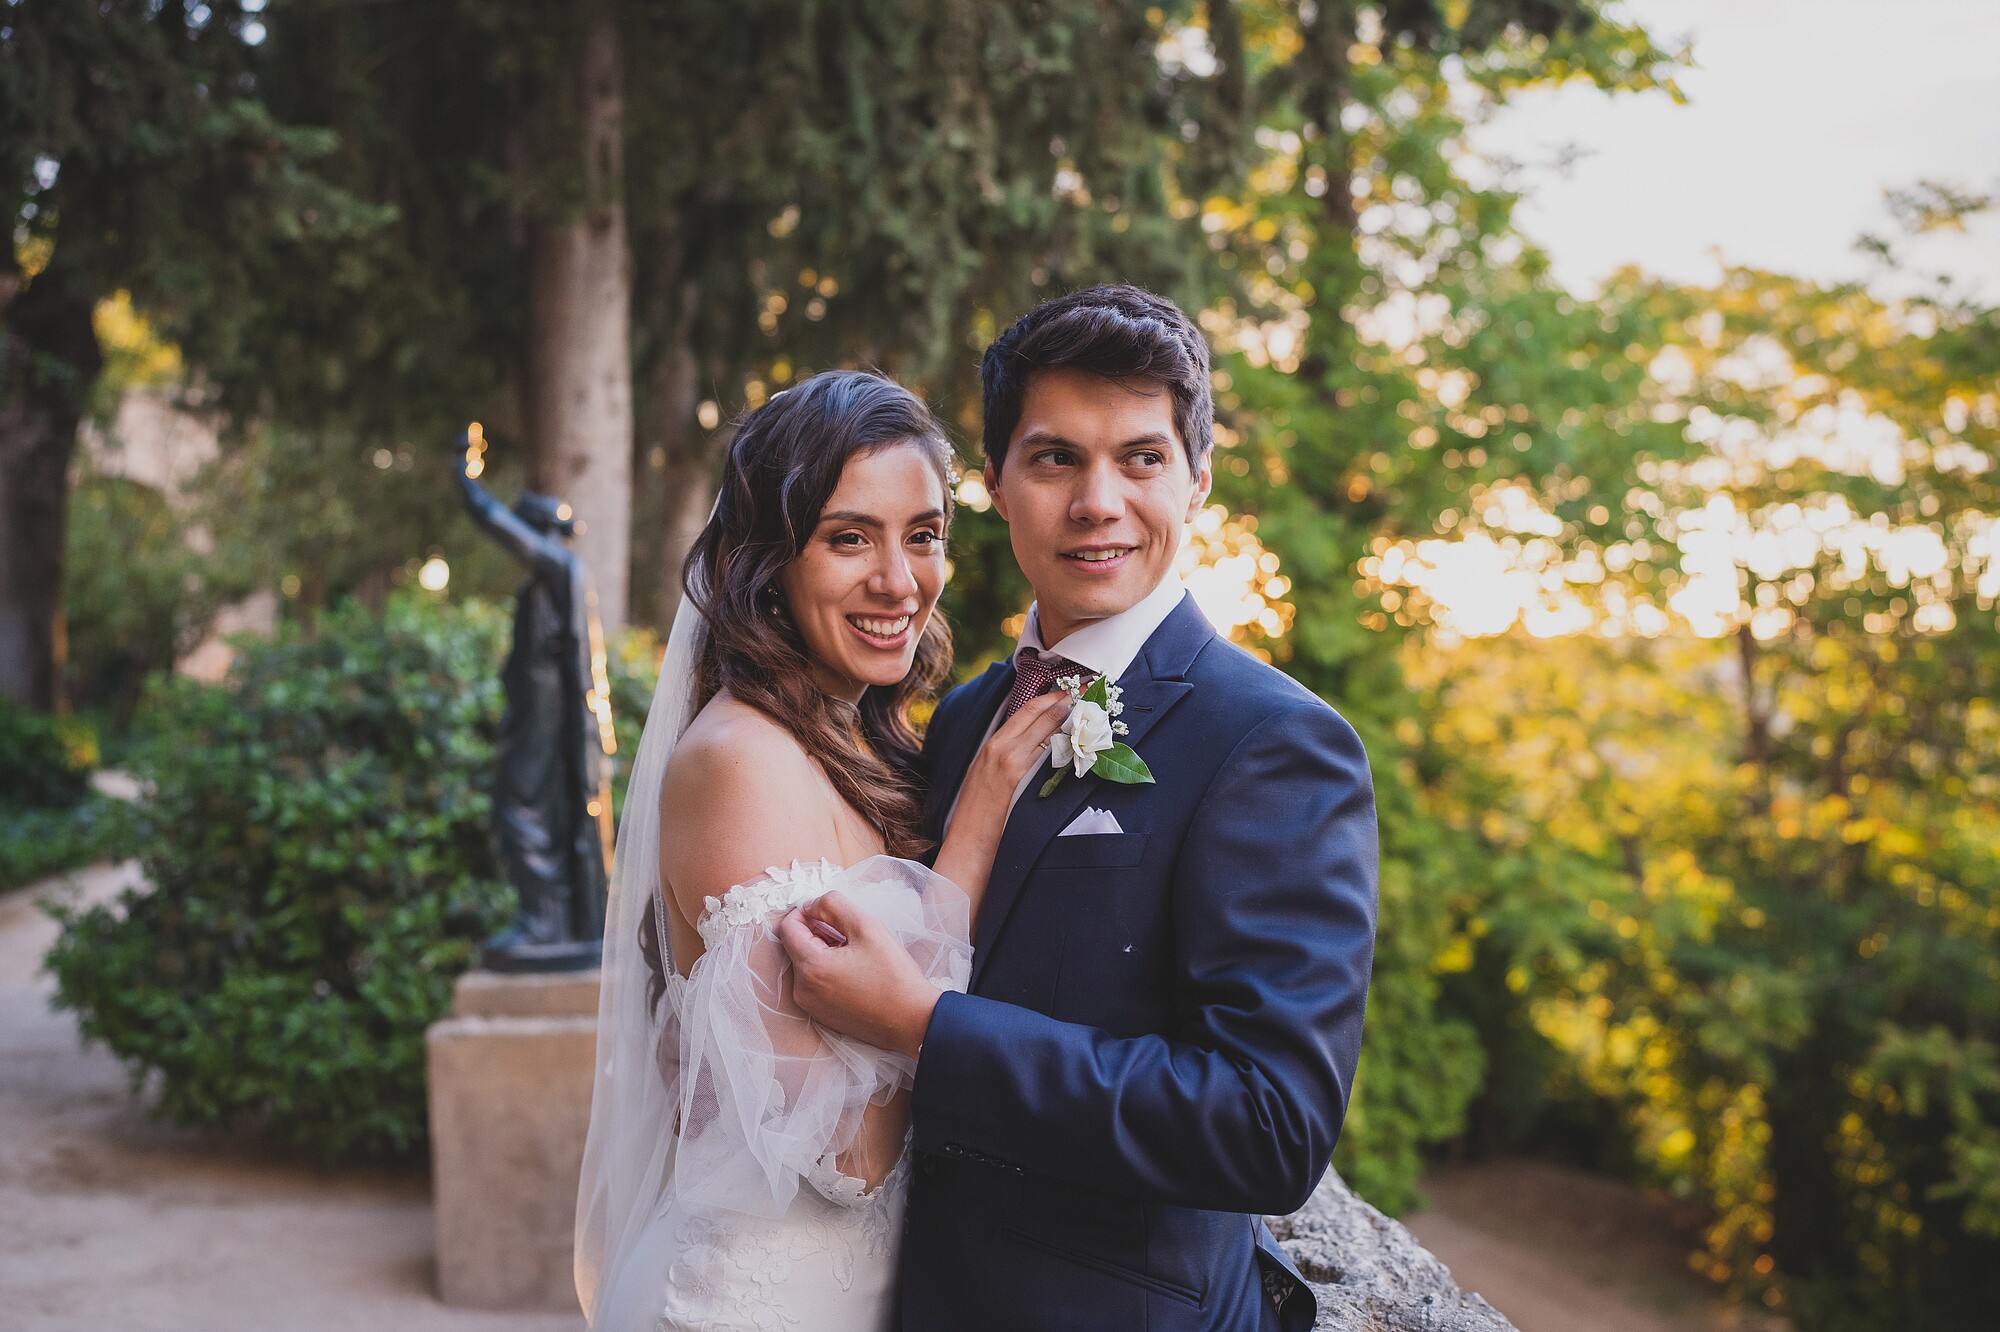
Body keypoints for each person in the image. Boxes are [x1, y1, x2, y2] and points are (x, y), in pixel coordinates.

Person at [777, 285, 1379, 1331]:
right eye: (1055, 458)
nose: (1097, 500)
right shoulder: (956, 724)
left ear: (1195, 481)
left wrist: (928, 1027)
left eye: (1140, 458)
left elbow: (1268, 1127)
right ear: (998, 488)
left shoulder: (1274, 744)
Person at [574, 370, 1069, 1331]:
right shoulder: (737, 763)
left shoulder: (856, 740)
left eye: (922, 535)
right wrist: (979, 818)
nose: (899, 580)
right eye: (850, 538)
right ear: (771, 563)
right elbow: (849, 1160)